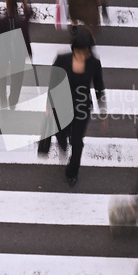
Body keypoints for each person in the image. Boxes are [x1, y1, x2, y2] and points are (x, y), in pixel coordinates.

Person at [52, 28, 107, 186]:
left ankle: (72, 172)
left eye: (85, 52)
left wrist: (103, 112)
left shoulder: (94, 64)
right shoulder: (62, 59)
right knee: (61, 133)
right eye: (79, 51)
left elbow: (99, 87)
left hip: (82, 108)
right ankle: (62, 141)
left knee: (77, 141)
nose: (82, 55)